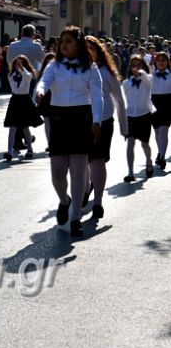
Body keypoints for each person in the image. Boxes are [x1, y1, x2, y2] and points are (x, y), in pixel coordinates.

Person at [36, 26, 103, 237]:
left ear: (79, 44)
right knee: (57, 171)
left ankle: (75, 218)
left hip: (81, 119)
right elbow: (43, 82)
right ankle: (64, 201)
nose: (64, 45)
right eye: (61, 41)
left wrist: (97, 121)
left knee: (77, 172)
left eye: (69, 41)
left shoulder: (91, 68)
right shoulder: (54, 66)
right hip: (59, 119)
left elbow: (97, 96)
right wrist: (39, 92)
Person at [85, 36, 126, 220]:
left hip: (103, 121)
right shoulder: (75, 70)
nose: (87, 51)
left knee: (97, 161)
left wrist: (124, 126)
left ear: (98, 50)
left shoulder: (107, 72)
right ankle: (85, 188)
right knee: (82, 162)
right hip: (79, 120)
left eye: (91, 48)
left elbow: (118, 99)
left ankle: (98, 202)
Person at [3, 55, 43, 161]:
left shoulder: (27, 74)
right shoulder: (11, 75)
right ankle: (9, 152)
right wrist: (17, 70)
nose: (18, 66)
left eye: (20, 64)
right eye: (17, 64)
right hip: (15, 100)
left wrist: (22, 68)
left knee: (25, 127)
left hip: (25, 100)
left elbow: (27, 76)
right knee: (12, 127)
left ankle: (30, 149)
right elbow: (14, 85)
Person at [122, 55, 155, 183]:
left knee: (144, 144)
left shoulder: (148, 79)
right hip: (130, 116)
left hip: (145, 115)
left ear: (143, 66)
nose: (136, 68)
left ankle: (149, 161)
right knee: (130, 143)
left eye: (139, 65)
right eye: (133, 65)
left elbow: (148, 80)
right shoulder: (126, 83)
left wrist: (141, 73)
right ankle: (130, 172)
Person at [151, 51, 171, 170]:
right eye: (158, 60)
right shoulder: (151, 76)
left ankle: (162, 156)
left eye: (163, 60)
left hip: (168, 103)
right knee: (157, 132)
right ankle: (160, 152)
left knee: (164, 131)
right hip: (154, 103)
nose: (161, 62)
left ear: (167, 62)